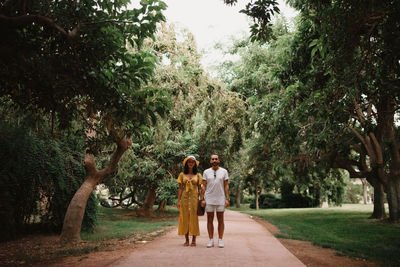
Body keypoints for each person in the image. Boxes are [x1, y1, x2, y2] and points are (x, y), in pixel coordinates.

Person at [201, 153, 229, 248]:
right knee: (210, 219)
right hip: (209, 199)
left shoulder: (224, 171)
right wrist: (202, 199)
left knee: (221, 219)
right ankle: (211, 240)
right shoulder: (206, 172)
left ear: (219, 160)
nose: (214, 161)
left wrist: (227, 198)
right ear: (210, 161)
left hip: (221, 198)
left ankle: (220, 240)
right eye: (212, 159)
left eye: (216, 159)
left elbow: (226, 185)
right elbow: (203, 186)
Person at [177, 155, 203, 246]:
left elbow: (200, 189)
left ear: (195, 164)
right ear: (186, 164)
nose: (191, 164)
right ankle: (187, 240)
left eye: (192, 162)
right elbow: (180, 188)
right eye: (189, 162)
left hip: (194, 199)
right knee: (185, 218)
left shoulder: (198, 175)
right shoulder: (182, 175)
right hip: (184, 199)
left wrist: (202, 200)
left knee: (194, 218)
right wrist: (178, 200)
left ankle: (194, 240)